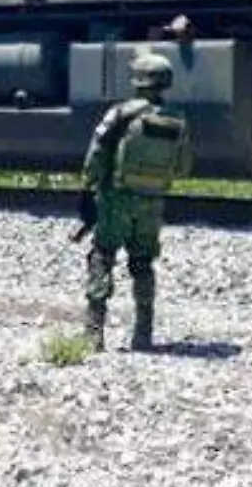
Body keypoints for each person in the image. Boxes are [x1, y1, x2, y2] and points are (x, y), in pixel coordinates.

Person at [77, 52, 193, 352]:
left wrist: (89, 186)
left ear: (137, 81)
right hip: (152, 202)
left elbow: (95, 157)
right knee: (142, 263)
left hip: (117, 199)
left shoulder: (121, 113)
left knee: (102, 256)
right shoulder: (177, 118)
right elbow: (183, 167)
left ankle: (93, 334)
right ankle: (143, 335)